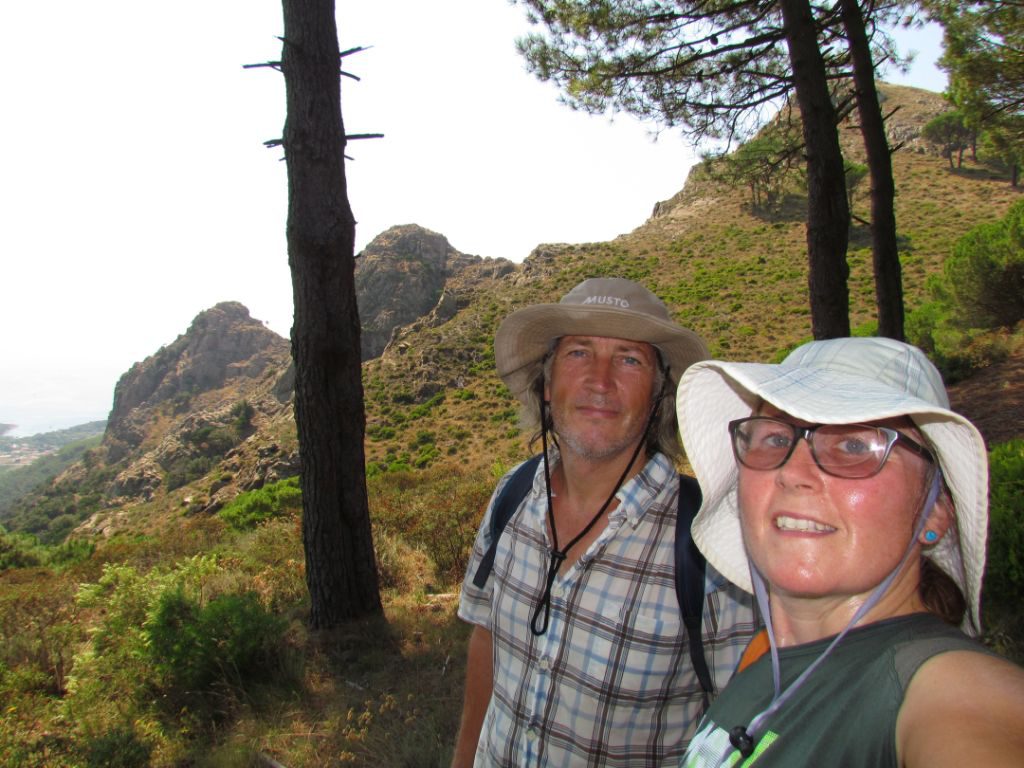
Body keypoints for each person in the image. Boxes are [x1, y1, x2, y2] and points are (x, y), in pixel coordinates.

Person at [674, 336, 1024, 767]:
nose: (793, 472)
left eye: (856, 446)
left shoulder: (950, 690)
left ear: (934, 512)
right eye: (775, 439)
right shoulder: (767, 665)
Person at [453, 277, 759, 767]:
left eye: (629, 359)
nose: (600, 380)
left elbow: (746, 724)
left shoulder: (710, 544)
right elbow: (486, 639)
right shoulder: (511, 495)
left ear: (658, 396)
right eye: (578, 353)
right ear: (547, 386)